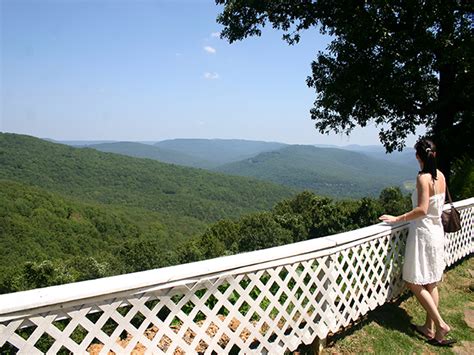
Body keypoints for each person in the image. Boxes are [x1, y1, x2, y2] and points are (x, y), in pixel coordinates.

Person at [379, 138, 456, 347]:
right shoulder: (440, 176)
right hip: (437, 232)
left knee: (414, 281)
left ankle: (440, 324)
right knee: (431, 281)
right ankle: (430, 329)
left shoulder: (423, 178)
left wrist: (397, 219)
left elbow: (422, 209)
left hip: (422, 233)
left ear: (418, 157)